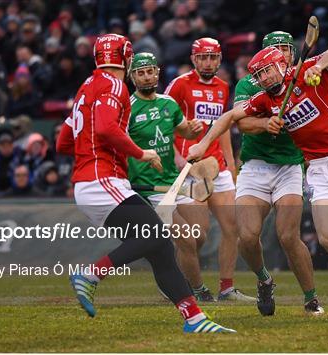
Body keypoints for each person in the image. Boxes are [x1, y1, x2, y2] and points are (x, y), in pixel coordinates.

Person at [187, 46, 328, 316]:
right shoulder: (263, 100)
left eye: (268, 71)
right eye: (259, 75)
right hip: (319, 169)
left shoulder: (304, 74)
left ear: (281, 66)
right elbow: (230, 117)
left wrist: (318, 68)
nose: (264, 78)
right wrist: (204, 144)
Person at [56, 34, 234, 333]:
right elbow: (105, 128)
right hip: (103, 179)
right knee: (156, 236)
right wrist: (140, 153)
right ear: (126, 58)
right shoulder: (114, 86)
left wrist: (92, 149)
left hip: (92, 181)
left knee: (160, 247)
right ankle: (90, 274)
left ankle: (195, 318)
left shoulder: (86, 87)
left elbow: (64, 141)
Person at [231, 31, 323, 316]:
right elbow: (241, 122)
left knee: (287, 236)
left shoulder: (301, 78)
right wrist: (265, 123)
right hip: (255, 166)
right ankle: (264, 280)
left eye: (286, 49)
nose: (282, 54)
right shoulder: (248, 84)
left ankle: (311, 299)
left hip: (289, 167)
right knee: (247, 237)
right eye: (276, 50)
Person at [164, 37, 253, 302]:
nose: (208, 62)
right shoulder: (180, 84)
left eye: (212, 57)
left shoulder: (223, 87)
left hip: (218, 167)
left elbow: (222, 126)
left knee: (233, 227)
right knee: (197, 235)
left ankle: (226, 288)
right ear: (193, 59)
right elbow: (162, 120)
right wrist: (178, 158)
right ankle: (179, 283)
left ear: (220, 59)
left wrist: (231, 164)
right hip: (192, 168)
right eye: (202, 57)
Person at [126, 52, 213, 300]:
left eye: (150, 71)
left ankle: (171, 281)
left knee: (199, 237)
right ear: (133, 77)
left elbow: (184, 132)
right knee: (186, 239)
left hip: (175, 181)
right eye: (140, 73)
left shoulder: (169, 104)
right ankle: (197, 291)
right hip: (149, 188)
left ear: (157, 72)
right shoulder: (128, 109)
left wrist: (193, 128)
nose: (146, 77)